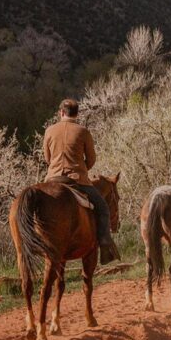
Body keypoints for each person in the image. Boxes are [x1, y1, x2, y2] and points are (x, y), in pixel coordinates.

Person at [42, 99, 120, 261]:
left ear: (61, 113)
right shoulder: (83, 132)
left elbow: (47, 158)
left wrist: (56, 167)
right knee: (103, 208)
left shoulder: (49, 131)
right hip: (77, 181)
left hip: (53, 179)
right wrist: (80, 169)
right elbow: (91, 159)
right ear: (77, 114)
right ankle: (105, 247)